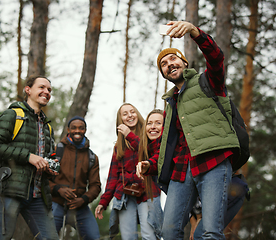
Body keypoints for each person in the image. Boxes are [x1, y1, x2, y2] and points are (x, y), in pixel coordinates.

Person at [136, 21, 240, 239]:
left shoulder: (208, 81)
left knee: (210, 231)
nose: (169, 64)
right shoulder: (171, 104)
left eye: (173, 58)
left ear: (184, 62)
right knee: (169, 231)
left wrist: (195, 32)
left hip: (213, 161)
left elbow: (216, 58)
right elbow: (170, 147)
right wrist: (150, 165)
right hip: (182, 171)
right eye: (163, 63)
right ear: (164, 73)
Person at [0, 75, 59, 240]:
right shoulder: (12, 115)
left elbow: (44, 157)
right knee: (2, 237)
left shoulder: (47, 126)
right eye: (42, 87)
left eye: (49, 90)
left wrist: (49, 166)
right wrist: (28, 157)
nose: (46, 92)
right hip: (11, 190)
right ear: (28, 90)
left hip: (39, 195)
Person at [95, 103, 158, 240]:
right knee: (128, 237)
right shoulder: (119, 146)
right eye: (125, 114)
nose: (130, 115)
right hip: (124, 196)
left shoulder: (148, 135)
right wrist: (103, 202)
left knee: (149, 234)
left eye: (132, 112)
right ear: (121, 120)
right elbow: (113, 176)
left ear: (138, 114)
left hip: (146, 192)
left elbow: (147, 152)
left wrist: (129, 134)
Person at [49, 116, 101, 240]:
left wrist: (83, 199)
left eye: (81, 128)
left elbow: (96, 185)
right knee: (47, 237)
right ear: (68, 129)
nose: (77, 131)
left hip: (80, 206)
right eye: (74, 128)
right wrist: (58, 189)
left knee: (93, 237)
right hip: (56, 203)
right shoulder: (56, 151)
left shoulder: (92, 157)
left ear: (85, 130)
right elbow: (44, 179)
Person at [137, 109, 165, 239]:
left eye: (158, 123)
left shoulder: (169, 148)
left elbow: (159, 158)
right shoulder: (145, 149)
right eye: (149, 123)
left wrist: (148, 164)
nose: (153, 126)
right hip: (150, 198)